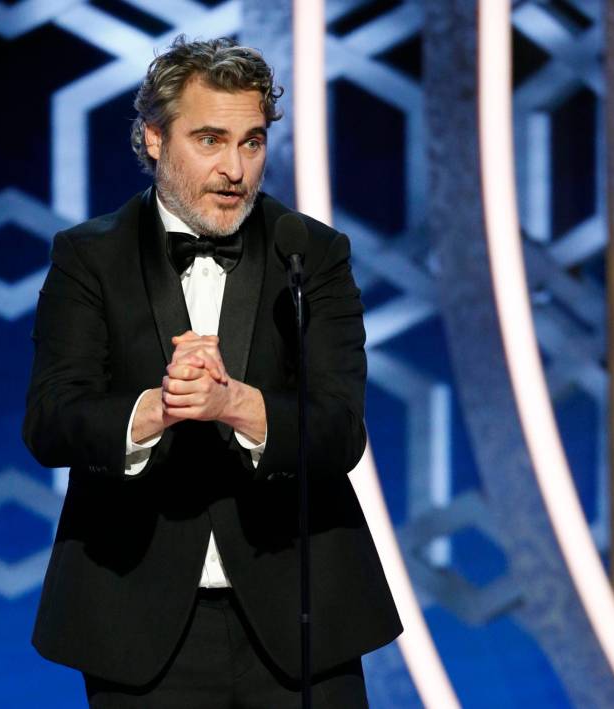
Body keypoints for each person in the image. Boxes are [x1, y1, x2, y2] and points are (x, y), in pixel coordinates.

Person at [23, 35, 402, 708]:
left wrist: (235, 405)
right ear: (154, 138)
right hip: (138, 622)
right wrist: (157, 408)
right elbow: (51, 420)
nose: (235, 169)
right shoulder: (89, 258)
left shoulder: (311, 254)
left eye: (252, 142)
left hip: (299, 619)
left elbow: (341, 430)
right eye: (210, 140)